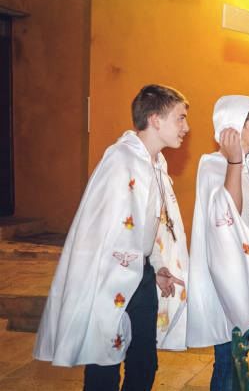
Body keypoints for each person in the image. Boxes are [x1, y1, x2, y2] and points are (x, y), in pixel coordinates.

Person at [33, 84, 190, 390]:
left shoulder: (156, 163)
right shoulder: (120, 160)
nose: (186, 127)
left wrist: (158, 264)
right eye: (180, 118)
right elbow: (100, 228)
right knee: (104, 363)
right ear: (156, 120)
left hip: (142, 275)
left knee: (144, 362)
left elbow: (152, 224)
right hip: (107, 277)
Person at [186, 95, 249, 391]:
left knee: (238, 355)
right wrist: (234, 160)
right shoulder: (213, 165)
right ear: (234, 126)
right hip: (226, 279)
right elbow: (227, 214)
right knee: (228, 360)